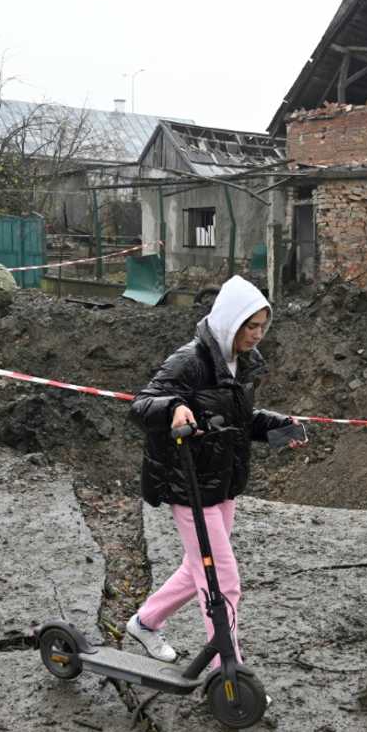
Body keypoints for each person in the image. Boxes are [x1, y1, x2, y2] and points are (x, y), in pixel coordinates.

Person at [125, 276, 301, 665]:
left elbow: (239, 421)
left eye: (262, 326)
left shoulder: (241, 364)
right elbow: (140, 406)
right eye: (250, 326)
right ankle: (228, 674)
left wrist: (279, 428)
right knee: (223, 582)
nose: (258, 335)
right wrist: (172, 408)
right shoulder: (190, 360)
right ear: (230, 321)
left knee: (197, 568)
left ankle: (145, 622)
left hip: (223, 484)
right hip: (189, 485)